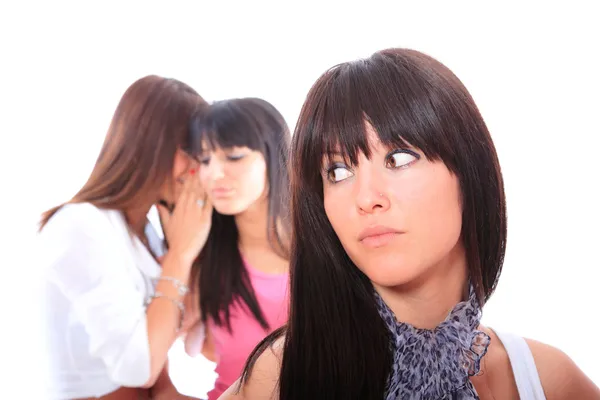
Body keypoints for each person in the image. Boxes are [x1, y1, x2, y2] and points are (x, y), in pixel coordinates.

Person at [220, 49, 600, 399]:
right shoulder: (282, 374)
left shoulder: (547, 378)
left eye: (399, 158)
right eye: (338, 171)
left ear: (469, 170)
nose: (367, 198)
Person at [38, 75, 212, 400]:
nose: (196, 171)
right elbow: (138, 368)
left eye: (202, 157)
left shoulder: (145, 232)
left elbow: (165, 362)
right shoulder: (81, 226)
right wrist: (180, 257)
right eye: (189, 151)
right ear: (149, 144)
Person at [184, 97, 291, 400]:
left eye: (233, 156)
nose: (214, 174)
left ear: (275, 156)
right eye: (205, 160)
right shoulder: (201, 255)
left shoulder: (323, 247)